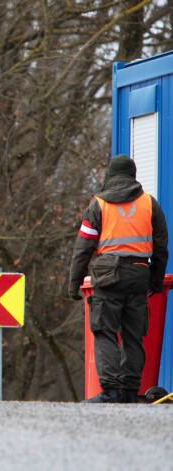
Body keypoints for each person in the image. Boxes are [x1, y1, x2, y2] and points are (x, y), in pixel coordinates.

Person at [69, 154, 168, 404]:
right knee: (134, 335)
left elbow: (83, 248)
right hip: (138, 276)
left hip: (107, 278)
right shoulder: (149, 204)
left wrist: (74, 283)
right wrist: (156, 281)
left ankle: (110, 391)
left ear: (110, 176)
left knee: (105, 331)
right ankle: (129, 392)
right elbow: (161, 247)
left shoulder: (98, 204)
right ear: (133, 176)